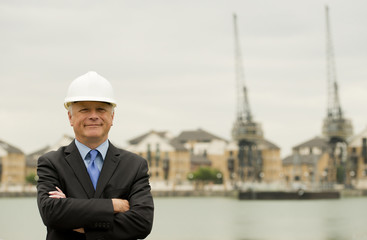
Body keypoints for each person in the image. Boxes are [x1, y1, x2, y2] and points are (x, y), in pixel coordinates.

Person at [37, 71, 154, 240]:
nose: (93, 116)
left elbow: (142, 222)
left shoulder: (135, 165)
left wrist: (80, 221)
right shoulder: (51, 163)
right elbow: (51, 213)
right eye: (84, 110)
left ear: (112, 117)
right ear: (70, 117)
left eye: (101, 109)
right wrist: (114, 205)